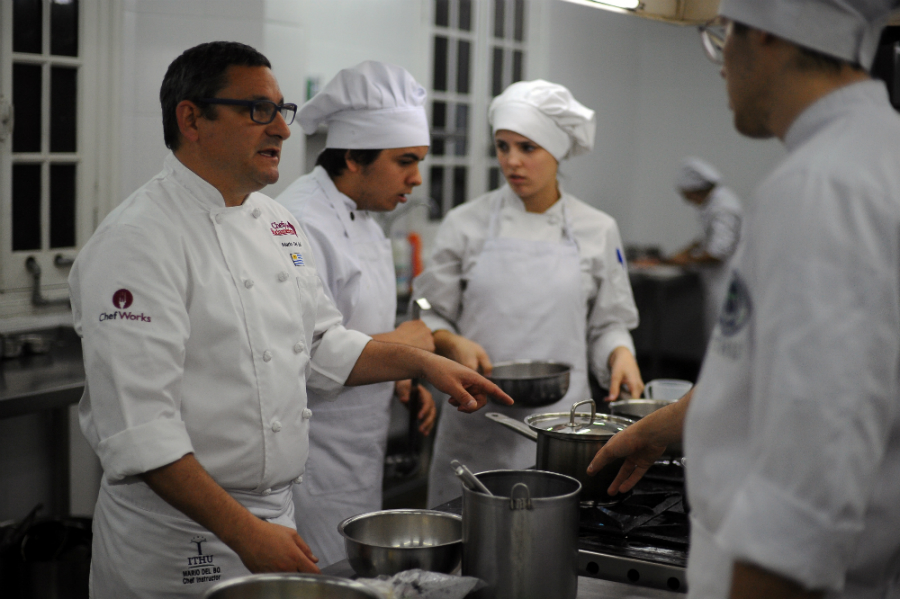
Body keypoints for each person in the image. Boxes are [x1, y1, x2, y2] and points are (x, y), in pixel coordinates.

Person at [69, 41, 512, 598]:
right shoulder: (137, 241)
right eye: (258, 110)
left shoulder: (275, 222)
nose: (280, 128)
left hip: (273, 519)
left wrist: (422, 363)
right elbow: (141, 431)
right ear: (192, 118)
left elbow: (322, 346)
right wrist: (244, 531)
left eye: (282, 110)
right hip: (176, 543)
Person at [589, 1, 900, 597]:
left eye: (720, 34)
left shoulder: (821, 187)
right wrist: (661, 428)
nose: (720, 61)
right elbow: (796, 375)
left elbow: (804, 492)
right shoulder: (874, 156)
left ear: (762, 32)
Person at [414, 79, 645, 507]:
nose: (512, 162)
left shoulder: (597, 228)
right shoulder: (466, 223)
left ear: (556, 150)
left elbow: (609, 322)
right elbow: (427, 309)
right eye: (503, 147)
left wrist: (621, 354)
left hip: (563, 430)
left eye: (527, 147)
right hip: (475, 421)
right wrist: (450, 340)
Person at [276, 61, 437, 568]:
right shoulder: (300, 222)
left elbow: (355, 327)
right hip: (311, 462)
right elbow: (305, 354)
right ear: (353, 156)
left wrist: (401, 377)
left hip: (360, 453)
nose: (415, 178)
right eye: (404, 161)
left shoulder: (366, 215)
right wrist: (413, 347)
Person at [664, 157, 742, 338]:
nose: (687, 201)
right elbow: (710, 237)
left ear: (695, 190)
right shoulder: (716, 203)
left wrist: (685, 261)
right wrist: (688, 249)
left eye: (686, 195)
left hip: (725, 283)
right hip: (718, 281)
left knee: (721, 337)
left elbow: (718, 252)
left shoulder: (724, 207)